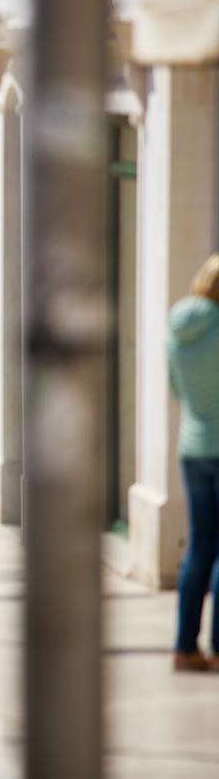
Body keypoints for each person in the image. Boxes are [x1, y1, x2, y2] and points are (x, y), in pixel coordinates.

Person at [167, 255, 219, 673]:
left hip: (193, 447)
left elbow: (174, 388)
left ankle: (185, 647)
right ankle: (217, 647)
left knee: (200, 546)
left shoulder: (178, 333)